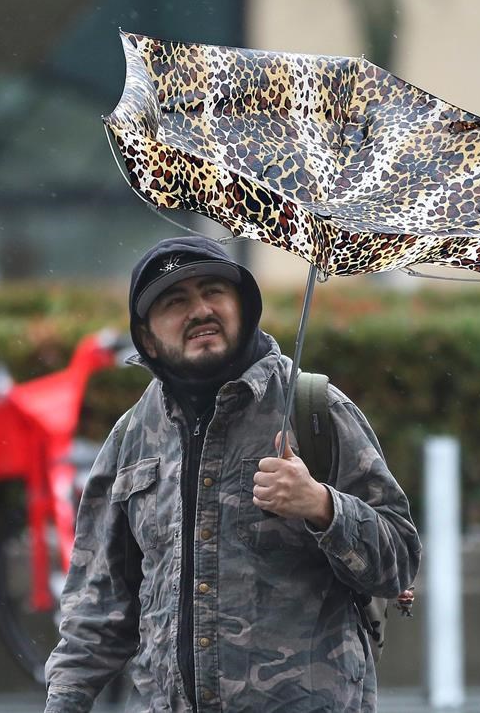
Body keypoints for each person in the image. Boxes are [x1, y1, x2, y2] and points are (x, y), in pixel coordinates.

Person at [45, 235, 421, 712]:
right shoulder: (130, 439)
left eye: (213, 292)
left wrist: (323, 507)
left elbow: (400, 560)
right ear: (147, 338)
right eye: (175, 301)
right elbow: (95, 610)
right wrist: (63, 703)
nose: (199, 310)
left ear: (243, 307)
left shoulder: (312, 408)